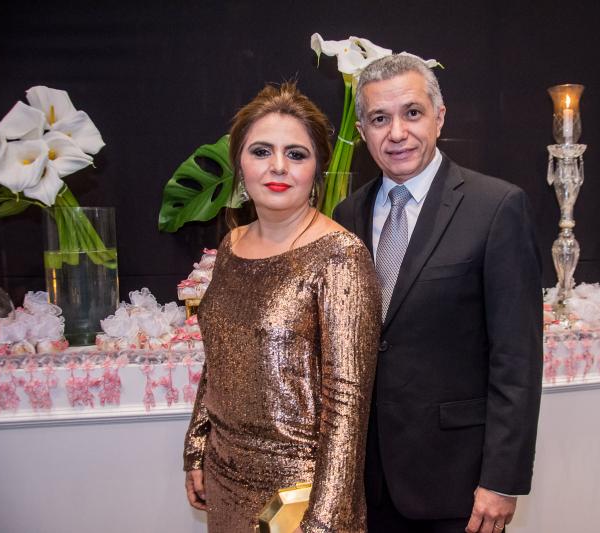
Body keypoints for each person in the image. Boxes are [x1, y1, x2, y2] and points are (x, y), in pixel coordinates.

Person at [333, 54, 543, 533]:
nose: (397, 133)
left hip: (459, 484)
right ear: (362, 132)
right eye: (380, 119)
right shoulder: (347, 216)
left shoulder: (496, 207)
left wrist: (501, 480)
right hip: (367, 483)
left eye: (412, 113)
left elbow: (517, 359)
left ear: (439, 117)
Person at [183, 82, 381, 533]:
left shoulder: (341, 257)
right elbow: (218, 360)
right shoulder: (232, 245)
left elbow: (348, 407)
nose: (277, 166)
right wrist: (196, 447)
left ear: (317, 169)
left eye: (296, 154)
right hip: (224, 478)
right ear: (239, 163)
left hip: (300, 495)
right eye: (261, 151)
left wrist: (324, 521)